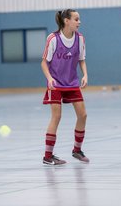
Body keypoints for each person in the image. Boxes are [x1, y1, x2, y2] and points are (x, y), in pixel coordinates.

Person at [41, 9, 89, 165]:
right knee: (57, 117)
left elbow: (81, 59)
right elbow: (44, 62)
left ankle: (77, 150)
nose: (79, 22)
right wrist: (49, 79)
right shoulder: (53, 39)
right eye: (76, 19)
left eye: (79, 19)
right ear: (66, 21)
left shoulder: (80, 38)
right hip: (56, 83)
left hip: (72, 82)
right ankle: (48, 156)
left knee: (83, 115)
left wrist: (85, 75)